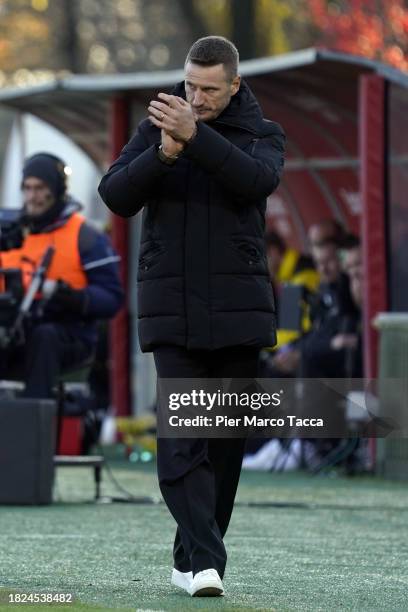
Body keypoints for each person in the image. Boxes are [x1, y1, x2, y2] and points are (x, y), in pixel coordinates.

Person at [99, 36, 285, 597]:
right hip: (172, 308)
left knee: (224, 445)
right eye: (189, 86)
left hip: (238, 310)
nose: (195, 98)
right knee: (183, 437)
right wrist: (163, 153)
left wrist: (194, 137)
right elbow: (115, 195)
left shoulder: (263, 133)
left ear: (234, 86)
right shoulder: (155, 129)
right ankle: (207, 562)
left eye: (208, 90)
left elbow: (255, 182)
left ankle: (190, 562)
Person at [0, 152, 123, 399]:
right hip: (12, 328)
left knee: (45, 337)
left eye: (40, 188)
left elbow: (111, 298)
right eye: (27, 188)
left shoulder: (86, 237)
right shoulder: (9, 233)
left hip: (67, 332)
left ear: (56, 190)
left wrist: (68, 295)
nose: (32, 196)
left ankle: (35, 422)